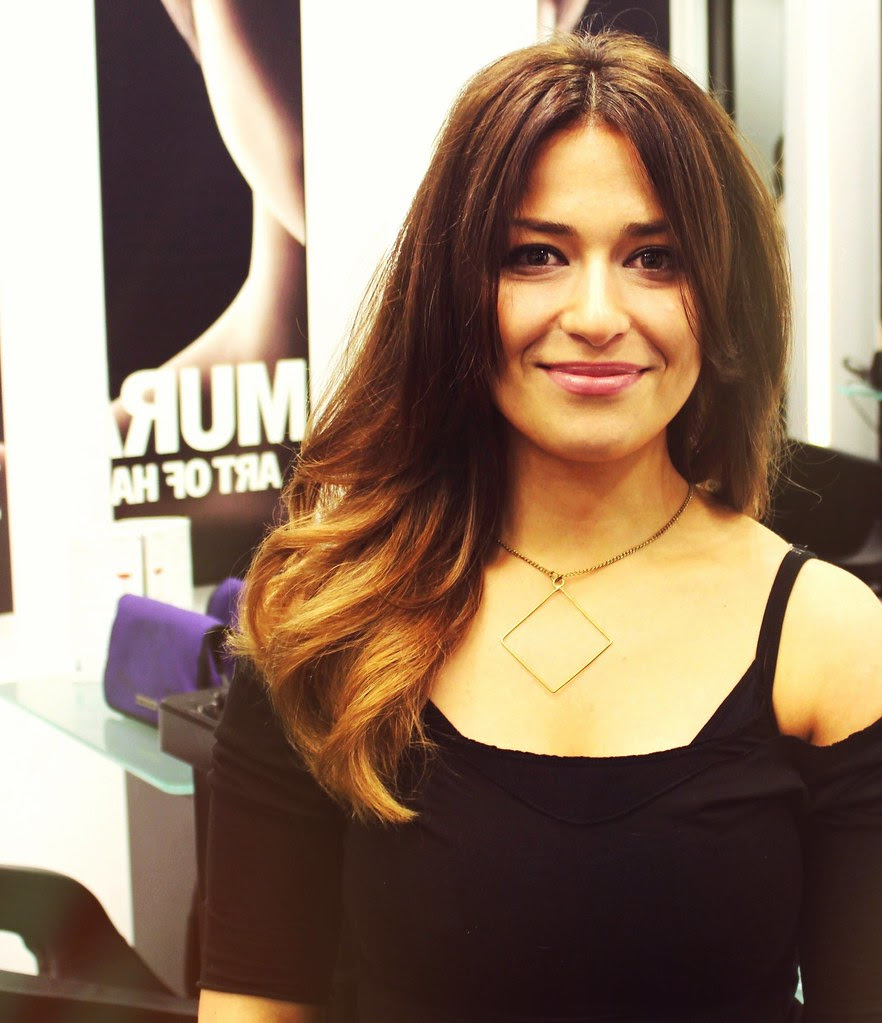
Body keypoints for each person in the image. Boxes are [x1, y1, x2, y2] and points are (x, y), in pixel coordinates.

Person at [197, 30, 882, 1023]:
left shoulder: (830, 640)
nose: (597, 314)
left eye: (654, 258)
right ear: (455, 290)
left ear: (721, 294)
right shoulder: (327, 621)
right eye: (536, 255)